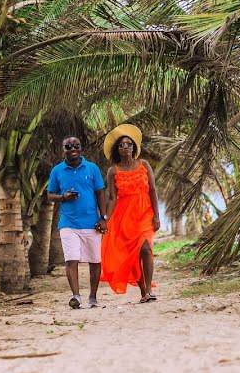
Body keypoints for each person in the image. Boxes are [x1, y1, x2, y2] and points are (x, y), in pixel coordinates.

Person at [100, 124, 161, 303]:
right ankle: (143, 290)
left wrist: (157, 215)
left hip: (145, 212)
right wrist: (105, 219)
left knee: (146, 249)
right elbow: (112, 198)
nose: (125, 147)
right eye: (121, 145)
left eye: (129, 144)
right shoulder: (113, 171)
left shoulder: (144, 164)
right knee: (133, 255)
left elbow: (153, 190)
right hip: (124, 217)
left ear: (134, 147)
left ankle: (149, 289)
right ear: (117, 150)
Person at [47, 135, 108, 309]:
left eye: (76, 145)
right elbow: (50, 195)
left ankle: (93, 297)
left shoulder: (92, 168)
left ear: (81, 148)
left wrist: (103, 218)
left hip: (91, 223)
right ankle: (76, 296)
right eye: (68, 146)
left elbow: (100, 194)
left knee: (95, 261)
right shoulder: (57, 171)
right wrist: (63, 197)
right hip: (68, 223)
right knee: (71, 260)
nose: (72, 149)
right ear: (63, 150)